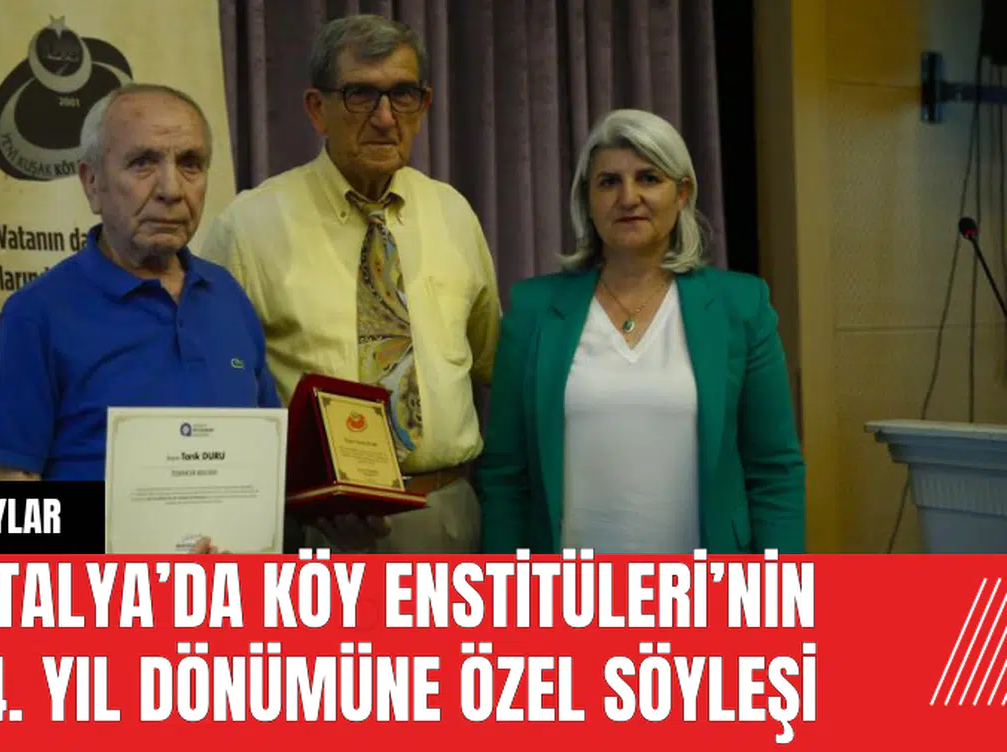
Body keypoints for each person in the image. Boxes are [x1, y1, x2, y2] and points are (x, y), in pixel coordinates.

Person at [197, 14, 501, 554]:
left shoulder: (453, 214)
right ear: (317, 109)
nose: (384, 118)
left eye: (403, 95)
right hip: (316, 527)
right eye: (360, 95)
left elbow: (490, 362)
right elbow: (215, 395)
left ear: (424, 106)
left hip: (446, 516)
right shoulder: (249, 227)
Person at [477, 109, 805, 555]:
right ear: (587, 200)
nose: (628, 197)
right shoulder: (534, 311)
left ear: (682, 193)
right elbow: (504, 476)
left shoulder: (742, 307)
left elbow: (774, 471)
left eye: (649, 178)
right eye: (608, 182)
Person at [0, 83, 282, 553]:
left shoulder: (228, 296)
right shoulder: (39, 312)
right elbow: (11, 485)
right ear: (91, 183)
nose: (171, 190)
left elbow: (267, 457)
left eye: (191, 163)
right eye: (143, 163)